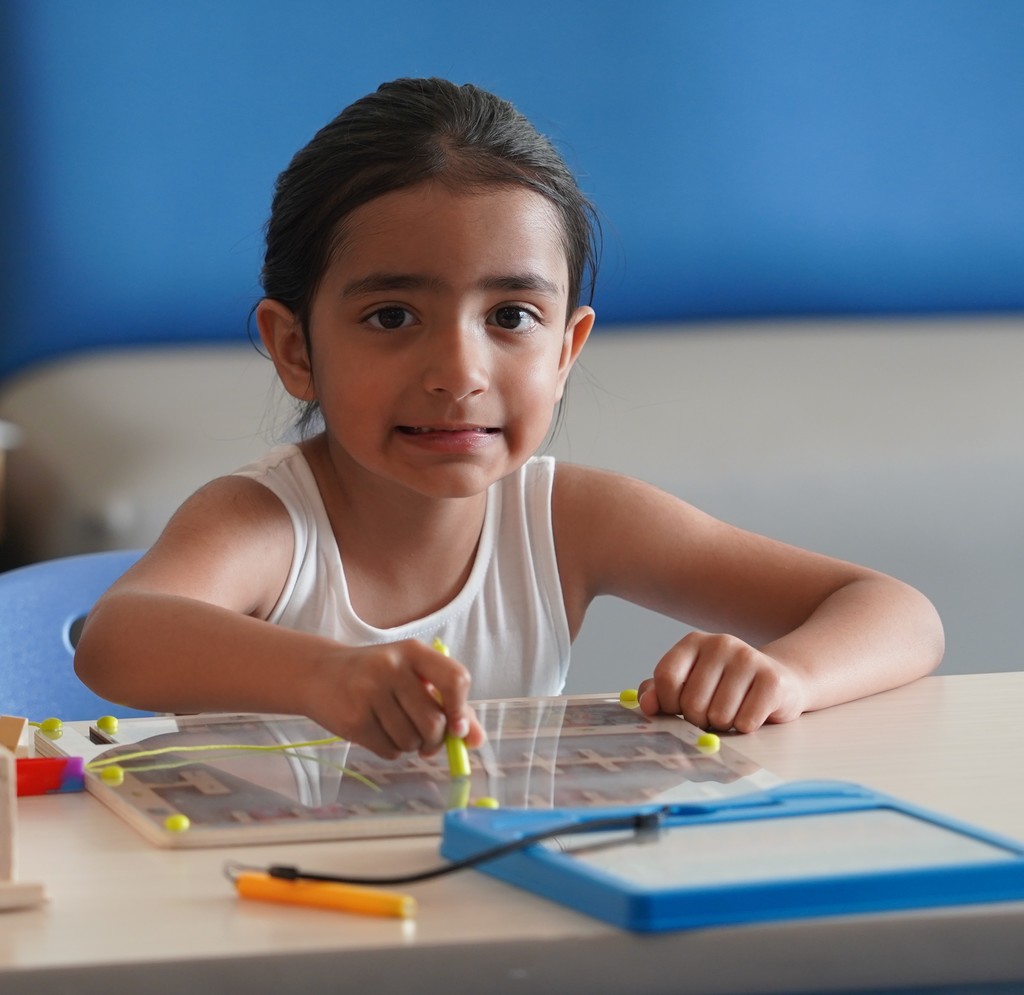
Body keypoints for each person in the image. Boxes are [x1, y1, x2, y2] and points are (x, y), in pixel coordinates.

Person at [75, 77, 944, 761]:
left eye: (511, 318)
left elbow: (897, 612)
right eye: (391, 316)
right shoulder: (267, 524)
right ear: (295, 347)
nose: (459, 374)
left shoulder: (570, 521)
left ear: (567, 349)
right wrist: (328, 677)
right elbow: (119, 637)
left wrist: (785, 674)